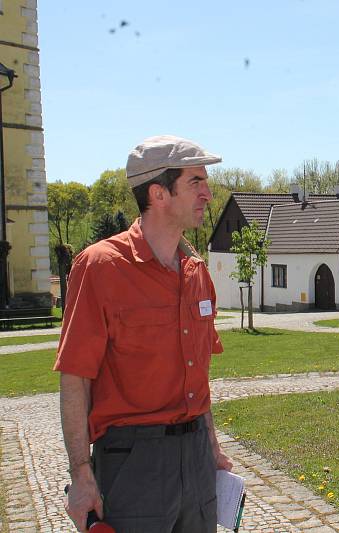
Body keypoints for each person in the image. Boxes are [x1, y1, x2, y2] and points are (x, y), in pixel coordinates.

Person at [55, 135, 233, 533]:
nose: (208, 193)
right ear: (158, 193)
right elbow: (75, 378)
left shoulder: (197, 272)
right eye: (195, 182)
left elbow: (198, 378)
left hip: (197, 458)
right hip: (133, 462)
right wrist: (82, 475)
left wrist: (213, 447)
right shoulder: (100, 267)